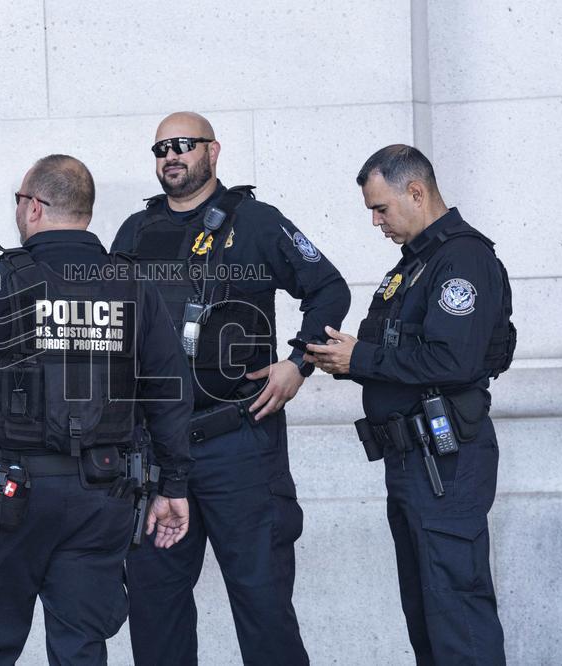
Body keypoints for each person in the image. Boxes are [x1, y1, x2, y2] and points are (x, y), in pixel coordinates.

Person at [0, 154, 194, 665]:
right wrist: (173, 484)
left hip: (9, 496)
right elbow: (170, 391)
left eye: (18, 201)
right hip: (103, 495)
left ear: (34, 207)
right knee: (81, 647)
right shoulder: (133, 286)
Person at [111, 112, 351, 665]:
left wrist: (299, 363)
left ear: (212, 151)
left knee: (263, 607)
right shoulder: (135, 231)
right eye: (161, 149)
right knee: (155, 613)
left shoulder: (257, 222)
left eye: (183, 144)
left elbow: (328, 289)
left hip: (239, 445)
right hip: (155, 453)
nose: (171, 156)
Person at [306, 144, 514, 665]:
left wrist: (361, 358)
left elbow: (454, 360)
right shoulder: (417, 264)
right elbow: (402, 352)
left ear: (416, 192)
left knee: (457, 614)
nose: (376, 222)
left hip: (444, 460)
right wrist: (348, 357)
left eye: (381, 208)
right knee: (427, 615)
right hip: (412, 459)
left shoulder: (462, 259)